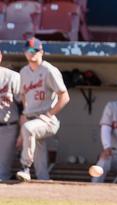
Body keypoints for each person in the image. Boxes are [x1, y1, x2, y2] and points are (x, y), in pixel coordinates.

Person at [16, 37, 70, 182]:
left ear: (42, 52)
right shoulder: (23, 72)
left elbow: (64, 97)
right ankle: (43, 181)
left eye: (35, 50)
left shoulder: (49, 70)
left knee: (29, 129)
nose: (31, 52)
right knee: (38, 151)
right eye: (28, 49)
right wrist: (21, 132)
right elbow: (24, 101)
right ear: (24, 52)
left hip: (47, 119)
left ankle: (25, 167)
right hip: (30, 118)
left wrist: (49, 114)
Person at [0, 51, 21, 181]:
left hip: (7, 128)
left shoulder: (12, 76)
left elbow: (24, 104)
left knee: (3, 172)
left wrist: (23, 132)